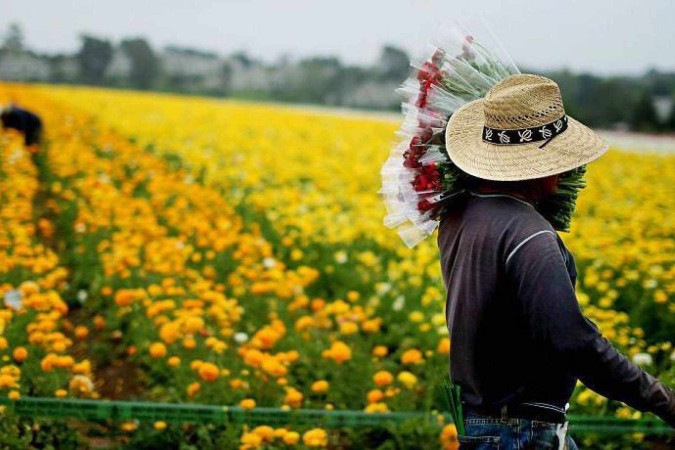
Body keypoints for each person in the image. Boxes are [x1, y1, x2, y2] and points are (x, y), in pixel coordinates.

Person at [439, 74, 675, 449]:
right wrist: (662, 399)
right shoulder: (530, 234)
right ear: (535, 164)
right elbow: (575, 343)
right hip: (523, 432)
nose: (567, 170)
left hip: (484, 423)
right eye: (559, 156)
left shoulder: (459, 214)